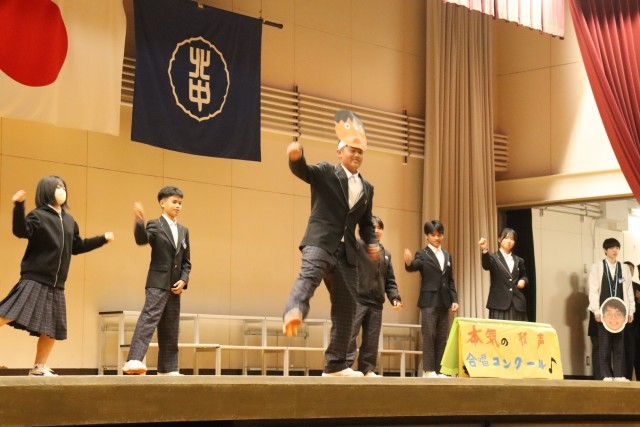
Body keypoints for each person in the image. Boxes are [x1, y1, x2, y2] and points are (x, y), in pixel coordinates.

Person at [282, 109, 380, 377]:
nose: (356, 154)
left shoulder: (367, 188)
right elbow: (305, 171)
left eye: (360, 151)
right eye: (351, 150)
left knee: (347, 306)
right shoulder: (326, 171)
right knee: (309, 277)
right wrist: (296, 157)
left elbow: (366, 222)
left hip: (347, 252)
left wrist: (371, 242)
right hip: (320, 241)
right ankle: (294, 311)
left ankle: (336, 364)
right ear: (340, 152)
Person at [0, 176, 114, 376]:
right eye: (57, 187)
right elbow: (21, 231)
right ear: (46, 191)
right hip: (35, 278)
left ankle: (39, 367)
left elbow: (77, 246)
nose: (62, 190)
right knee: (8, 313)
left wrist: (102, 239)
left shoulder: (69, 221)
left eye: (63, 187)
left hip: (57, 284)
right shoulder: (38, 216)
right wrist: (18, 206)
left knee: (51, 328)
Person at [122, 186, 191, 375]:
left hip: (175, 286)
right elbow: (142, 240)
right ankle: (134, 360)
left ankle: (168, 368)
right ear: (162, 203)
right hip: (157, 282)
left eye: (180, 203)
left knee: (171, 326)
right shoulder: (155, 224)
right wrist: (139, 222)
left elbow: (186, 262)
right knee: (149, 319)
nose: (178, 206)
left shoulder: (184, 230)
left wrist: (184, 280)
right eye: (174, 202)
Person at [347, 215, 402, 377]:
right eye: (373, 227)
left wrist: (395, 298)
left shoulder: (386, 254)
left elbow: (390, 280)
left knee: (372, 339)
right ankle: (343, 366)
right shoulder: (357, 246)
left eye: (379, 228)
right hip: (357, 299)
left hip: (376, 302)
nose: (376, 231)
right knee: (350, 334)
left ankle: (367, 369)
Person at [404, 220, 459, 378]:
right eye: (433, 235)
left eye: (439, 234)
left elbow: (450, 280)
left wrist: (454, 299)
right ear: (426, 236)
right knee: (429, 335)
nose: (437, 238)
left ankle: (440, 370)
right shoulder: (423, 254)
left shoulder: (447, 255)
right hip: (428, 301)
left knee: (442, 336)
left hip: (444, 300)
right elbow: (413, 266)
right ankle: (428, 370)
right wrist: (408, 262)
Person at [588, 238, 634, 381]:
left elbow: (628, 290)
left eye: (617, 248)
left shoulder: (624, 268)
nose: (615, 250)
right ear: (605, 250)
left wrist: (631, 310)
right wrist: (596, 310)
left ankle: (619, 375)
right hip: (604, 312)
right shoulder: (597, 267)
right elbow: (593, 289)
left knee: (619, 345)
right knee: (604, 344)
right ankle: (606, 375)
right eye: (612, 248)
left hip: (620, 312)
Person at [478, 228, 528, 321]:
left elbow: (524, 275)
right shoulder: (493, 257)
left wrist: (523, 281)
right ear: (499, 239)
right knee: (498, 330)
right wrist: (484, 249)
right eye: (506, 238)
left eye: (512, 239)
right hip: (499, 304)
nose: (509, 241)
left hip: (517, 304)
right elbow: (486, 265)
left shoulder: (519, 260)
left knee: (517, 330)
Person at [623, 261, 640, 380]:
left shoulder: (637, 286)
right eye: (627, 268)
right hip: (620, 325)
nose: (630, 271)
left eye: (631, 269)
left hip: (635, 326)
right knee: (624, 354)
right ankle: (625, 379)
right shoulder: (617, 283)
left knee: (635, 354)